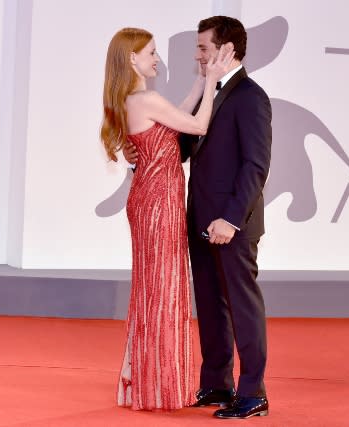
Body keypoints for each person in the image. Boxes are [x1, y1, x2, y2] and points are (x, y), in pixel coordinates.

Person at [124, 16, 273, 419]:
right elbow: (182, 148)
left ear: (228, 50)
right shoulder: (215, 92)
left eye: (203, 48)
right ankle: (217, 383)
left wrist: (231, 219)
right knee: (209, 304)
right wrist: (141, 150)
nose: (197, 55)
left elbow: (255, 166)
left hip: (230, 224)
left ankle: (252, 392)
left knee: (242, 306)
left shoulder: (251, 97)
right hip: (198, 220)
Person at [100, 27, 234, 411]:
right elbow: (198, 125)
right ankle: (157, 384)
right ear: (132, 59)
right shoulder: (145, 98)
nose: (157, 58)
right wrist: (211, 81)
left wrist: (200, 82)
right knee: (162, 291)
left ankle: (147, 379)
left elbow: (180, 110)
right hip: (158, 203)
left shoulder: (135, 99)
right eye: (152, 52)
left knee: (154, 290)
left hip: (151, 200)